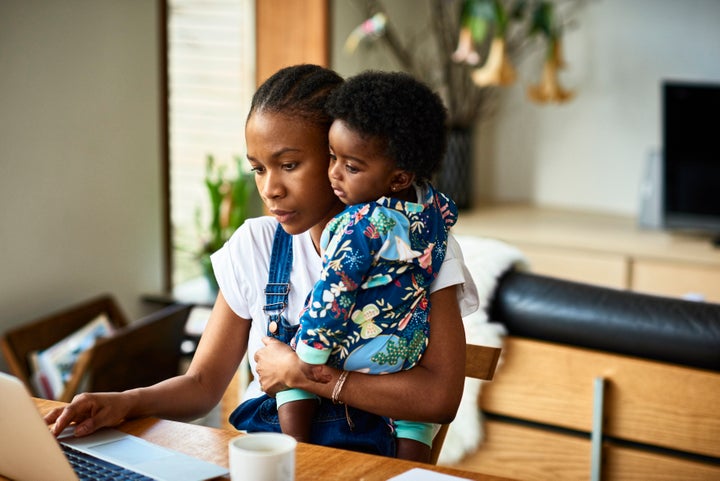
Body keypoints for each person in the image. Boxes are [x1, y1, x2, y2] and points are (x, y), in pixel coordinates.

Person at [45, 64, 477, 460]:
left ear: (337, 150)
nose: (270, 189)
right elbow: (201, 385)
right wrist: (125, 401)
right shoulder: (255, 245)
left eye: (289, 165)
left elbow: (439, 398)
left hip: (368, 460)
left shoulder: (420, 247)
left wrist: (302, 375)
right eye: (258, 168)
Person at [273, 71, 456, 462]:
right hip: (403, 359)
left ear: (399, 177)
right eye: (332, 158)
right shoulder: (438, 212)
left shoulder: (359, 225)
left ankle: (296, 452)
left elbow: (334, 292)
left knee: (290, 379)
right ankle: (411, 460)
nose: (334, 173)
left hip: (348, 351)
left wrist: (307, 360)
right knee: (415, 427)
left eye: (352, 167)